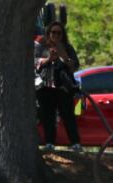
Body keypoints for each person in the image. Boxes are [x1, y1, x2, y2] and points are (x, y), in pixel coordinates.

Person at [35, 21, 82, 152]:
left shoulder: (67, 47)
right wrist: (48, 59)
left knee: (68, 116)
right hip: (45, 87)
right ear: (48, 34)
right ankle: (49, 142)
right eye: (53, 32)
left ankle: (75, 143)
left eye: (58, 33)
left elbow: (74, 66)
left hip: (64, 89)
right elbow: (34, 63)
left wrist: (64, 57)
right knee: (47, 116)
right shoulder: (41, 47)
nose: (55, 35)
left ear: (62, 34)